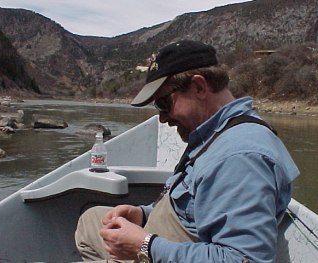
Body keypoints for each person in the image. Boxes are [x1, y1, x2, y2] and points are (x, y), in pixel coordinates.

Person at [75, 40, 299, 263]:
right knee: (90, 221)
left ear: (199, 87)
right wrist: (143, 215)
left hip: (158, 253)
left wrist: (145, 245)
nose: (162, 117)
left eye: (164, 103)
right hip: (165, 245)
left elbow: (242, 258)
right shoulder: (213, 134)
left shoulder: (239, 158)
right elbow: (190, 211)